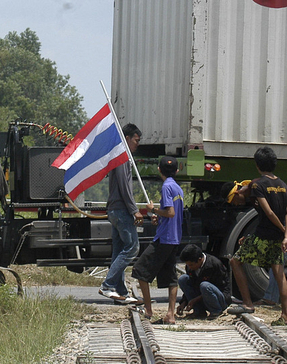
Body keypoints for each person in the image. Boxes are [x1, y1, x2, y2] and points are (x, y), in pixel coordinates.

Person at [227, 146, 287, 326]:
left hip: (264, 236)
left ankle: (248, 303)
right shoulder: (282, 185)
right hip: (277, 239)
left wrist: (281, 229)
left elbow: (269, 213)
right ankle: (286, 316)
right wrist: (286, 235)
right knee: (280, 275)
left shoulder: (258, 184)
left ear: (257, 165)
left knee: (235, 261)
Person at [132, 156, 184, 324]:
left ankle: (147, 309)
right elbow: (170, 214)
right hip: (174, 237)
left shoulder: (166, 187)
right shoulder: (178, 188)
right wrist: (158, 217)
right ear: (177, 171)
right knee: (171, 277)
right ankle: (170, 314)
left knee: (140, 270)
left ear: (159, 170)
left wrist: (152, 209)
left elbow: (170, 212)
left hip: (164, 238)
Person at [99, 123, 144, 304]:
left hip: (116, 209)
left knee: (119, 251)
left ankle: (120, 291)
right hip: (121, 210)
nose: (137, 144)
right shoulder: (122, 157)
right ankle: (108, 285)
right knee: (132, 248)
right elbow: (124, 187)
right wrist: (134, 210)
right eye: (136, 140)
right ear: (127, 138)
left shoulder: (121, 156)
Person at [177, 244, 231, 319]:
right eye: (188, 265)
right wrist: (184, 302)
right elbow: (192, 285)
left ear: (200, 259)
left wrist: (195, 300)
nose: (190, 267)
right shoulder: (190, 268)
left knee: (205, 286)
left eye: (191, 265)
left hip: (219, 299)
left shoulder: (214, 264)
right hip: (202, 298)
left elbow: (220, 288)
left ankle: (216, 311)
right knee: (183, 279)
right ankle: (199, 311)